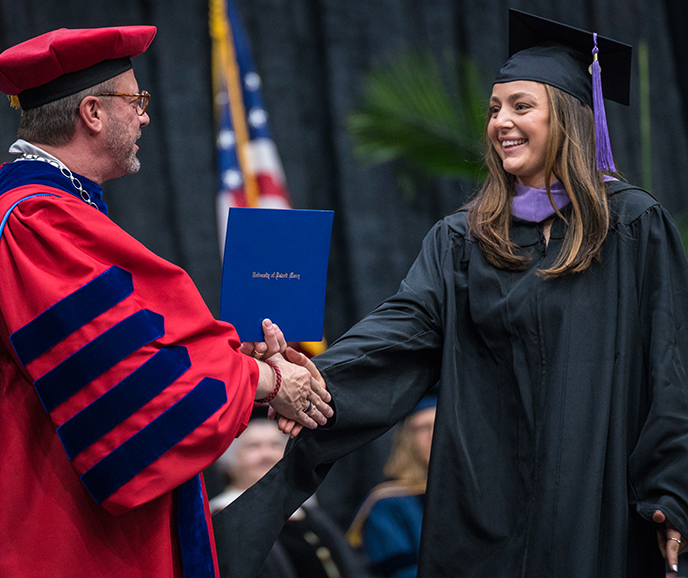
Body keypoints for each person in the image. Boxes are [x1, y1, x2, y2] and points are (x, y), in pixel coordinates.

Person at [213, 9, 688, 578]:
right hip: (488, 502)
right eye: (494, 110)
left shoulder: (632, 226)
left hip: (597, 499)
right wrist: (313, 378)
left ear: (567, 117)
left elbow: (671, 361)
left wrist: (672, 490)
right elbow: (401, 331)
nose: (500, 123)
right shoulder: (465, 238)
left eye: (520, 106)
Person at [0, 26, 332, 578]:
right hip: (60, 537)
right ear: (92, 112)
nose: (143, 116)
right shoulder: (37, 222)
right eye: (135, 100)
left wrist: (248, 367)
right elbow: (129, 383)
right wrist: (269, 383)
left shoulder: (36, 210)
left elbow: (131, 344)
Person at [210, 418, 365, 578]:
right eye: (254, 446)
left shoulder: (308, 512)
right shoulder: (223, 515)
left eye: (275, 445)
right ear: (229, 462)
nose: (267, 455)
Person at [346, 395, 437, 578]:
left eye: (440, 426)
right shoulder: (387, 504)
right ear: (407, 439)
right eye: (425, 428)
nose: (434, 435)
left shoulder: (473, 494)